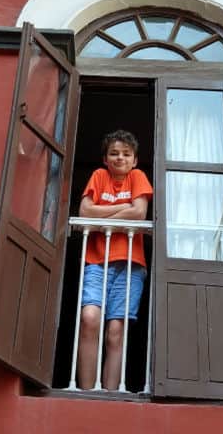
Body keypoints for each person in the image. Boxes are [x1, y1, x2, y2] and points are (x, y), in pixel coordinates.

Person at [76, 129, 153, 391]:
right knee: (89, 318)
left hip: (131, 265)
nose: (120, 158)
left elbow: (140, 213)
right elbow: (84, 211)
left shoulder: (138, 177)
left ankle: (109, 393)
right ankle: (86, 391)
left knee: (116, 331)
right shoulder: (99, 176)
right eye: (114, 153)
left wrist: (100, 219)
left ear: (134, 160)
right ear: (105, 159)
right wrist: (123, 209)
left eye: (126, 154)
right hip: (97, 261)